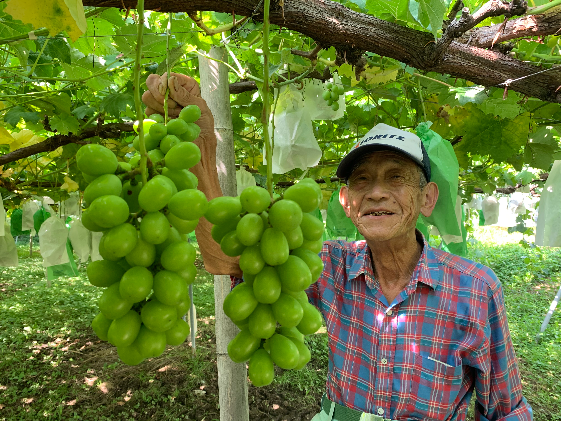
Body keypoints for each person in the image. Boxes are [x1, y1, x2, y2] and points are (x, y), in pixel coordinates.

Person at [143, 73, 533, 421]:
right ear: (347, 203)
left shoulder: (476, 288)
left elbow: (507, 409)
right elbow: (226, 259)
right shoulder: (328, 264)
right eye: (362, 180)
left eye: (395, 177)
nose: (377, 192)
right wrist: (202, 147)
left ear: (428, 198)